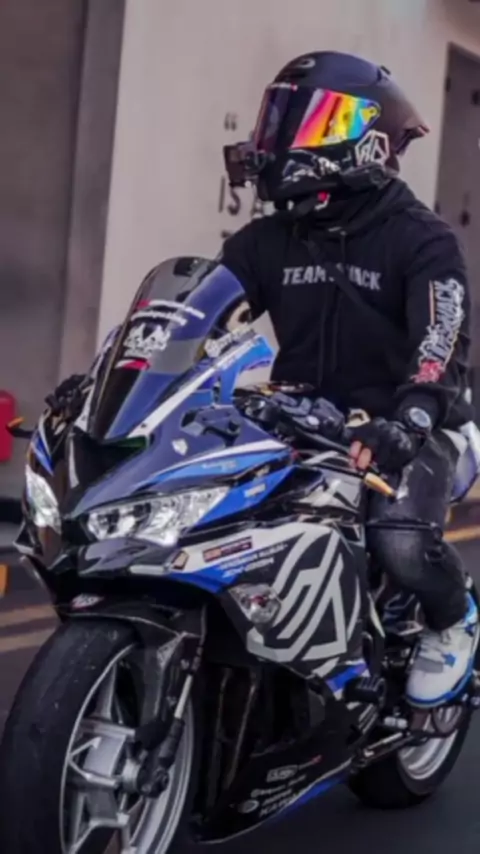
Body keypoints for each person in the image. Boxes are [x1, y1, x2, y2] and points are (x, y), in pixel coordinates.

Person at [220, 51, 478, 707]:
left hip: (413, 424)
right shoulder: (263, 242)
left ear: (372, 138)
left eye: (312, 120)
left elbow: (441, 344)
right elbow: (201, 321)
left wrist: (409, 421)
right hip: (304, 421)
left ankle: (453, 618)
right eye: (281, 117)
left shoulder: (422, 240)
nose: (286, 137)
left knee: (398, 540)